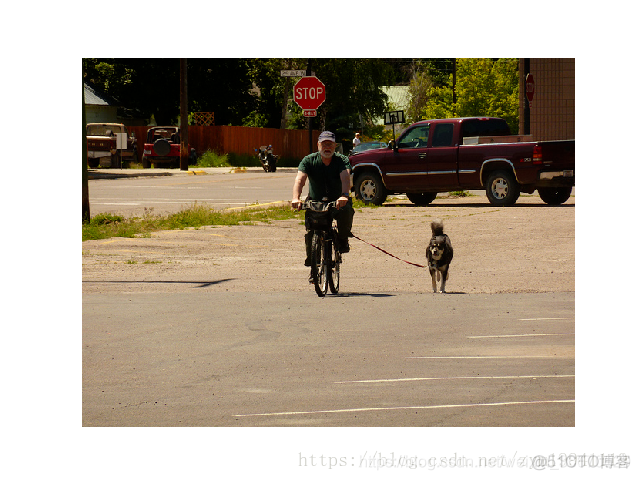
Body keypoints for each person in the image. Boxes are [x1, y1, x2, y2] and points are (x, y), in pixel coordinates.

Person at [292, 131, 354, 274]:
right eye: (324, 144)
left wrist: (344, 195)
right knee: (312, 230)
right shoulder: (309, 160)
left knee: (346, 211)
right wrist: (296, 198)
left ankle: (343, 239)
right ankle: (313, 262)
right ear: (318, 145)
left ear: (335, 146)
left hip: (338, 201)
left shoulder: (342, 160)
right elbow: (300, 180)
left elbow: (345, 177)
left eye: (330, 144)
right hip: (316, 202)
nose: (327, 147)